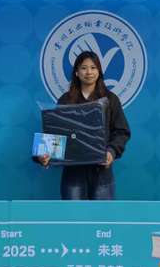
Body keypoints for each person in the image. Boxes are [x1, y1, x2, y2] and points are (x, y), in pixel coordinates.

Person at [36, 50, 130, 200]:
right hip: (73, 173)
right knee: (73, 214)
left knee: (102, 215)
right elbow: (54, 132)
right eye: (84, 68)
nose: (89, 72)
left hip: (102, 172)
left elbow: (121, 131)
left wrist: (111, 152)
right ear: (76, 72)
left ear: (99, 71)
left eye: (93, 68)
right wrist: (45, 155)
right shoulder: (66, 100)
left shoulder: (110, 99)